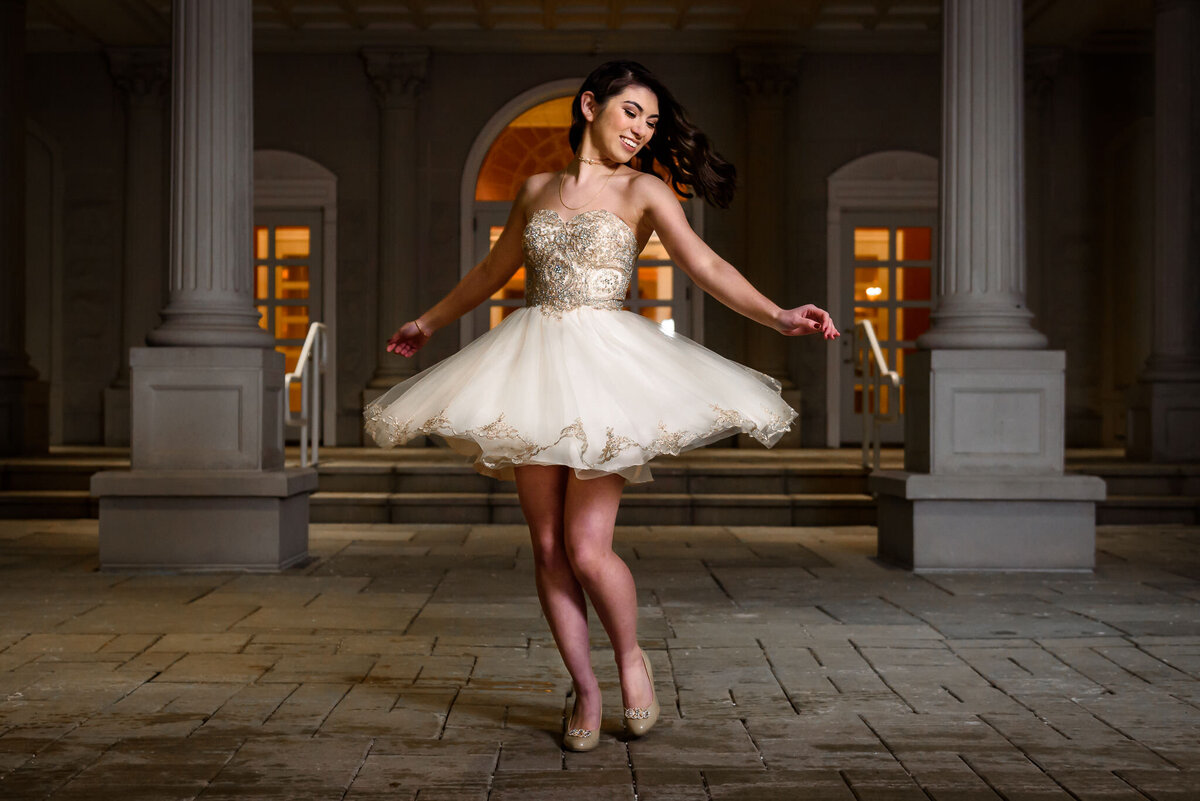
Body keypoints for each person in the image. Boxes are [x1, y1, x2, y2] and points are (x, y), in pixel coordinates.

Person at [364, 60, 839, 752]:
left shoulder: (644, 191)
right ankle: (584, 686)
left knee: (588, 549)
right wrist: (428, 322)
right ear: (591, 105)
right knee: (549, 543)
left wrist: (777, 314)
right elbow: (492, 274)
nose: (642, 131)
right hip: (529, 365)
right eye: (632, 114)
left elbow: (705, 266)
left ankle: (630, 658)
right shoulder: (532, 189)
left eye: (651, 122)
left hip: (604, 367)